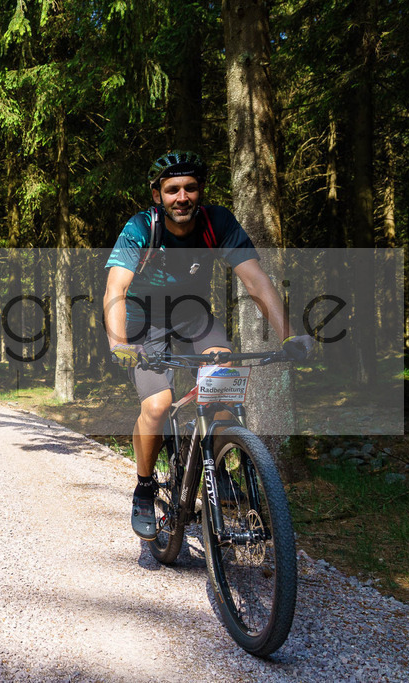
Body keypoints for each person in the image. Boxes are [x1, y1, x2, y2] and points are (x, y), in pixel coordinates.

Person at [102, 151, 314, 541]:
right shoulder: (140, 228)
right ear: (158, 196)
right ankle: (145, 488)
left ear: (200, 191)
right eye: (172, 190)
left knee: (223, 394)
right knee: (157, 405)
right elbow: (116, 288)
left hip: (196, 319)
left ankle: (213, 466)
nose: (181, 197)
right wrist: (119, 342)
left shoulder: (219, 223)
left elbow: (256, 281)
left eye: (190, 188)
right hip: (145, 326)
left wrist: (288, 335)